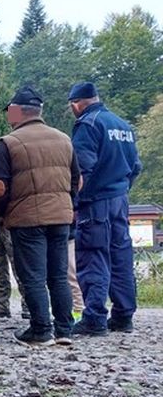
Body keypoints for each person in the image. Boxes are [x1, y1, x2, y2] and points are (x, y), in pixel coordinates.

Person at [0, 85, 81, 347]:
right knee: (58, 275)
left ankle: (41, 330)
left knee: (33, 276)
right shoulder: (64, 139)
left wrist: (2, 214)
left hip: (26, 219)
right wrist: (67, 204)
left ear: (16, 112)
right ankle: (64, 329)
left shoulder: (8, 143)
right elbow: (77, 180)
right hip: (60, 216)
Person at [68, 82, 142, 336]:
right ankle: (123, 316)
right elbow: (136, 166)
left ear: (77, 103)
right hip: (120, 200)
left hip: (95, 202)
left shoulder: (88, 124)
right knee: (121, 257)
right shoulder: (123, 125)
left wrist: (74, 202)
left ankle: (94, 317)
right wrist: (122, 188)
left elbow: (82, 169)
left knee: (93, 255)